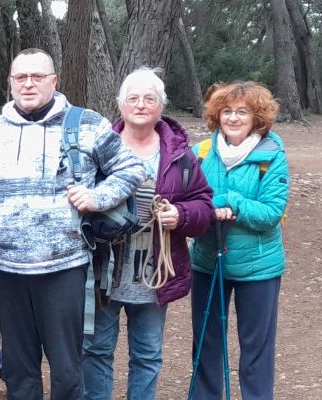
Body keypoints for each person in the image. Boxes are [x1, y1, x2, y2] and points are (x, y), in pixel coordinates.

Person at [0, 49, 147, 400]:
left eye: (37, 76)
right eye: (20, 77)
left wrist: (98, 197)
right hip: (7, 268)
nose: (28, 84)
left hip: (64, 268)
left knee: (66, 372)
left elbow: (133, 169)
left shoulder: (88, 124)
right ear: (11, 83)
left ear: (53, 81)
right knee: (19, 370)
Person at [80, 68, 216, 400]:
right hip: (104, 270)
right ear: (120, 104)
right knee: (96, 352)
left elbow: (204, 205)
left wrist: (179, 215)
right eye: (133, 98)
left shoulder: (180, 155)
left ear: (161, 106)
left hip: (155, 272)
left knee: (147, 355)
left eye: (149, 99)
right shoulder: (97, 148)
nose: (141, 105)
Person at [187, 81, 290, 400]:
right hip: (207, 261)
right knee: (205, 343)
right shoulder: (200, 153)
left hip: (258, 268)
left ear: (256, 117)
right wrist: (210, 209)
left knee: (256, 349)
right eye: (227, 111)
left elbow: (271, 212)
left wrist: (231, 202)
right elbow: (189, 199)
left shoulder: (271, 155)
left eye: (242, 112)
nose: (233, 118)